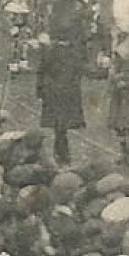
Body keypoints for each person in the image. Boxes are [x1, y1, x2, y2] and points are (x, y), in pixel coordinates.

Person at [35, 33, 88, 164]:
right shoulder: (74, 54)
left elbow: (41, 72)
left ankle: (61, 152)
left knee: (58, 125)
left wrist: (40, 91)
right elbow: (82, 70)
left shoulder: (49, 52)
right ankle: (62, 153)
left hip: (53, 93)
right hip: (68, 94)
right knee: (62, 125)